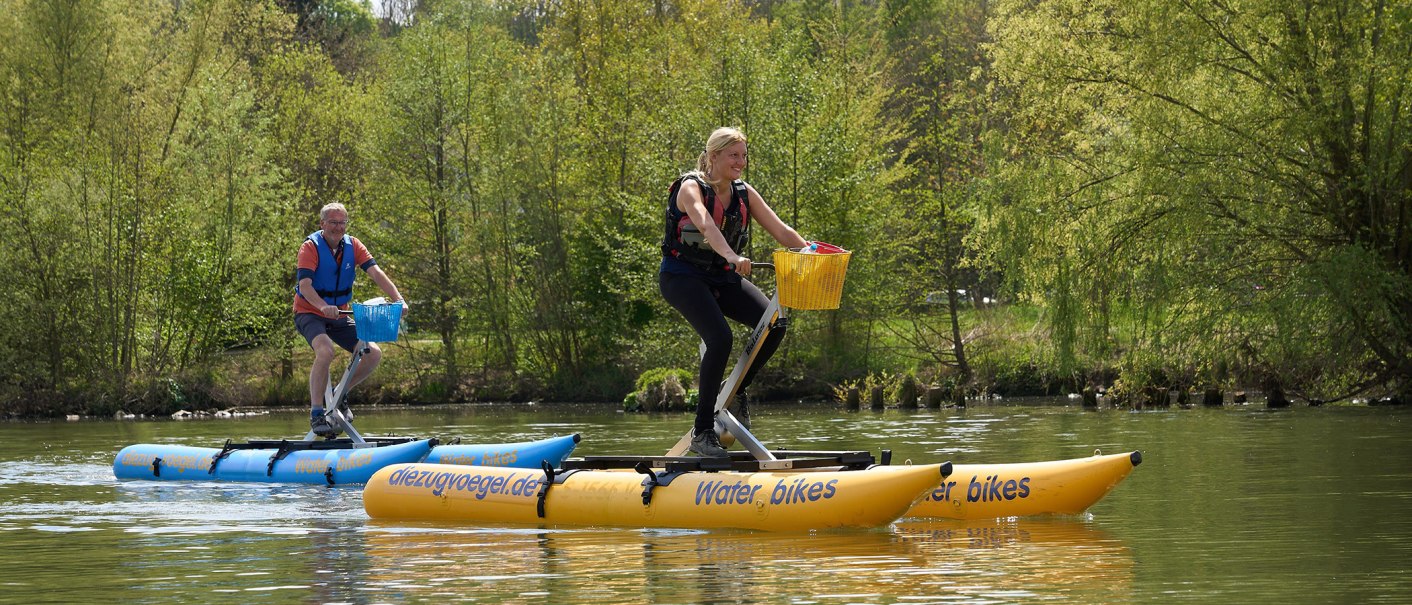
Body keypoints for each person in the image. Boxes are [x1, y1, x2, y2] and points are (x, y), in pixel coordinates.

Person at [660, 127, 810, 457]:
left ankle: (735, 391)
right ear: (713, 157)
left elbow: (782, 230)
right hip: (683, 277)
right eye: (733, 156)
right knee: (720, 338)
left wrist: (813, 250)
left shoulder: (744, 192)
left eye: (743, 156)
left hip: (721, 277)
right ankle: (702, 432)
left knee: (774, 323)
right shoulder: (690, 188)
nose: (740, 162)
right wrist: (731, 255)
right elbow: (705, 225)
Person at [293, 203, 407, 438]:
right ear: (322, 224)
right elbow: (305, 286)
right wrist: (323, 306)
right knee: (325, 351)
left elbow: (376, 273)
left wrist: (398, 299)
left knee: (372, 352)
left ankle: (340, 394)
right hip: (309, 312)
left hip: (339, 314)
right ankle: (317, 413)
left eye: (342, 222)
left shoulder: (353, 245)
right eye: (333, 222)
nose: (338, 227)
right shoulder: (310, 247)